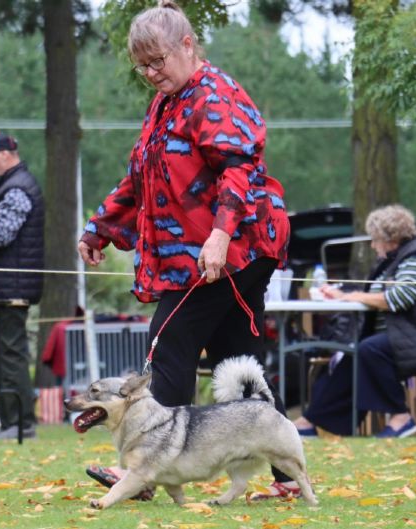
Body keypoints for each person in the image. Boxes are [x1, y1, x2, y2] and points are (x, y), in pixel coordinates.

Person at [78, 0, 298, 501]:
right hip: (199, 254)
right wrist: (98, 229)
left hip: (236, 248)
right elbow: (142, 178)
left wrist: (220, 234)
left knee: (169, 342)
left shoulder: (215, 95)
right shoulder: (165, 104)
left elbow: (240, 170)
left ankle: (145, 472)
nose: (151, 73)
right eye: (142, 66)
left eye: (158, 60)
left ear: (187, 44)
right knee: (237, 362)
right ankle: (287, 479)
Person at [294, 204, 416, 438]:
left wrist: (354, 296)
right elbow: (375, 292)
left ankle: (401, 416)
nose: (373, 245)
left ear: (391, 239)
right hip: (397, 338)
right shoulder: (394, 259)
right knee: (350, 357)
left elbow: (400, 297)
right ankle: (310, 421)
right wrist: (342, 292)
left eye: (375, 239)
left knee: (369, 350)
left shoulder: (415, 256)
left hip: (413, 337)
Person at [0, 131, 44, 440]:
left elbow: (1, 235)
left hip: (11, 286)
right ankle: (9, 423)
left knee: (11, 355)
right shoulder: (5, 187)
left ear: (3, 155)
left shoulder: (17, 189)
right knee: (2, 354)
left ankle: (22, 424)